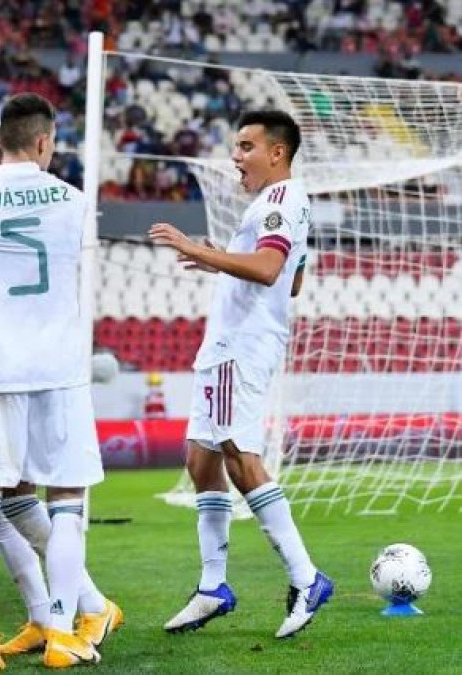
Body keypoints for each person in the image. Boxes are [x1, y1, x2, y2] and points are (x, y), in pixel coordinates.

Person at [150, 110, 332, 639]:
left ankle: (307, 576)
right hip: (227, 344)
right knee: (201, 460)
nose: (236, 155)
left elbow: (271, 270)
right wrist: (222, 263)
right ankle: (212, 588)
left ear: (277, 152)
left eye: (247, 146)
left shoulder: (281, 199)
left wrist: (198, 249)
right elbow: (291, 282)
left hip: (241, 347)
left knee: (238, 457)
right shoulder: (278, 205)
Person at [0, 93, 105, 668]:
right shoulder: (75, 201)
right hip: (59, 369)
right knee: (65, 502)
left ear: (5, 138)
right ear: (43, 142)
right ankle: (63, 633)